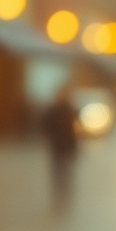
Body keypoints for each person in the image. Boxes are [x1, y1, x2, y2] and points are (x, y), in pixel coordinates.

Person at [40, 86, 79, 215]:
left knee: (66, 170)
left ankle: (65, 191)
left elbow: (76, 128)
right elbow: (46, 126)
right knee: (57, 170)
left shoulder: (71, 110)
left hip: (67, 145)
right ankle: (58, 191)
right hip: (56, 145)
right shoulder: (53, 110)